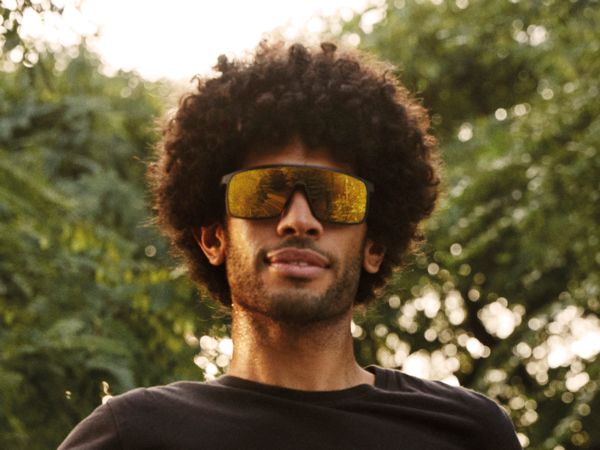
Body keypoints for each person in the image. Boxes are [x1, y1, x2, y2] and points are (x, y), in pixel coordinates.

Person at [59, 41, 521, 449]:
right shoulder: (133, 436)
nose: (299, 220)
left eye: (335, 197)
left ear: (374, 246)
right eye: (264, 192)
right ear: (214, 237)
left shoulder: (466, 433)